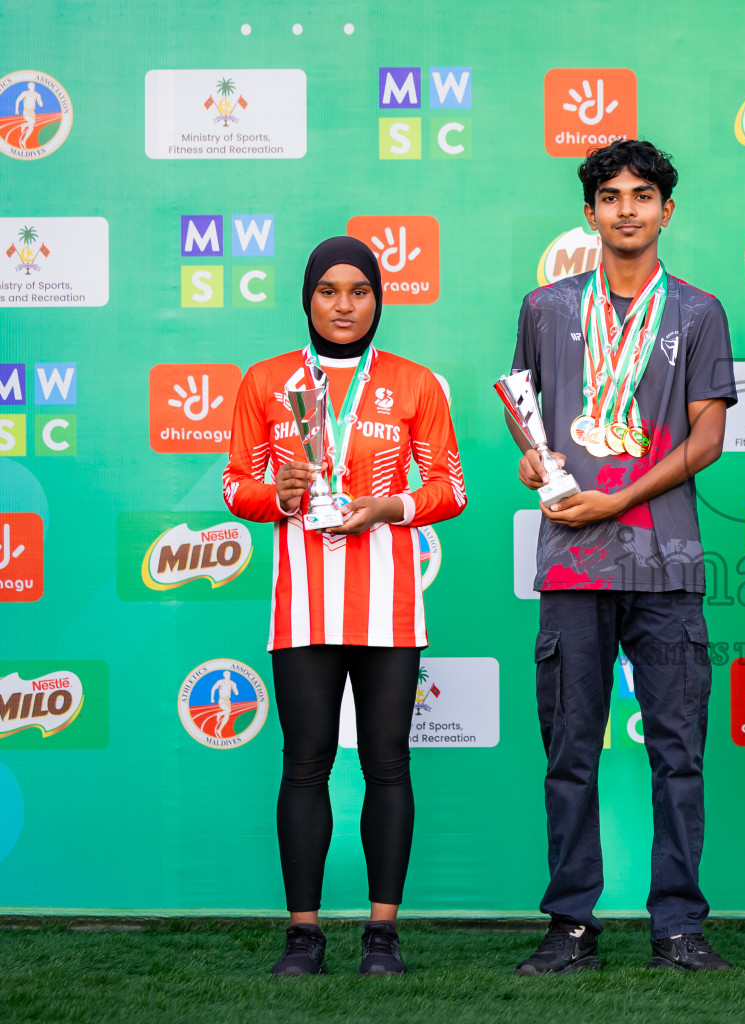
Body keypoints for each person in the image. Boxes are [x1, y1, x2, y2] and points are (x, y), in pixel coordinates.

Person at [508, 139, 737, 973]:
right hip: (573, 564)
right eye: (611, 196)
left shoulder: (698, 312)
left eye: (643, 195)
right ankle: (570, 923)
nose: (627, 209)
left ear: (666, 211)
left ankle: (678, 925)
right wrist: (533, 456)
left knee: (678, 755)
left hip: (666, 564)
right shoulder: (546, 307)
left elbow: (707, 440)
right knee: (569, 752)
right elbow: (523, 407)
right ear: (590, 212)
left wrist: (620, 498)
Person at [223, 236, 467, 976]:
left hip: (389, 609)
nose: (343, 305)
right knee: (305, 765)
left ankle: (382, 935)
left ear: (378, 300)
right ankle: (303, 935)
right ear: (307, 298)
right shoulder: (266, 381)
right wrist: (280, 495)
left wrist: (389, 506)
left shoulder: (414, 383)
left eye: (359, 291)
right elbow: (236, 486)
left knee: (388, 765)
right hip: (302, 609)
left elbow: (450, 489)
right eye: (328, 290)